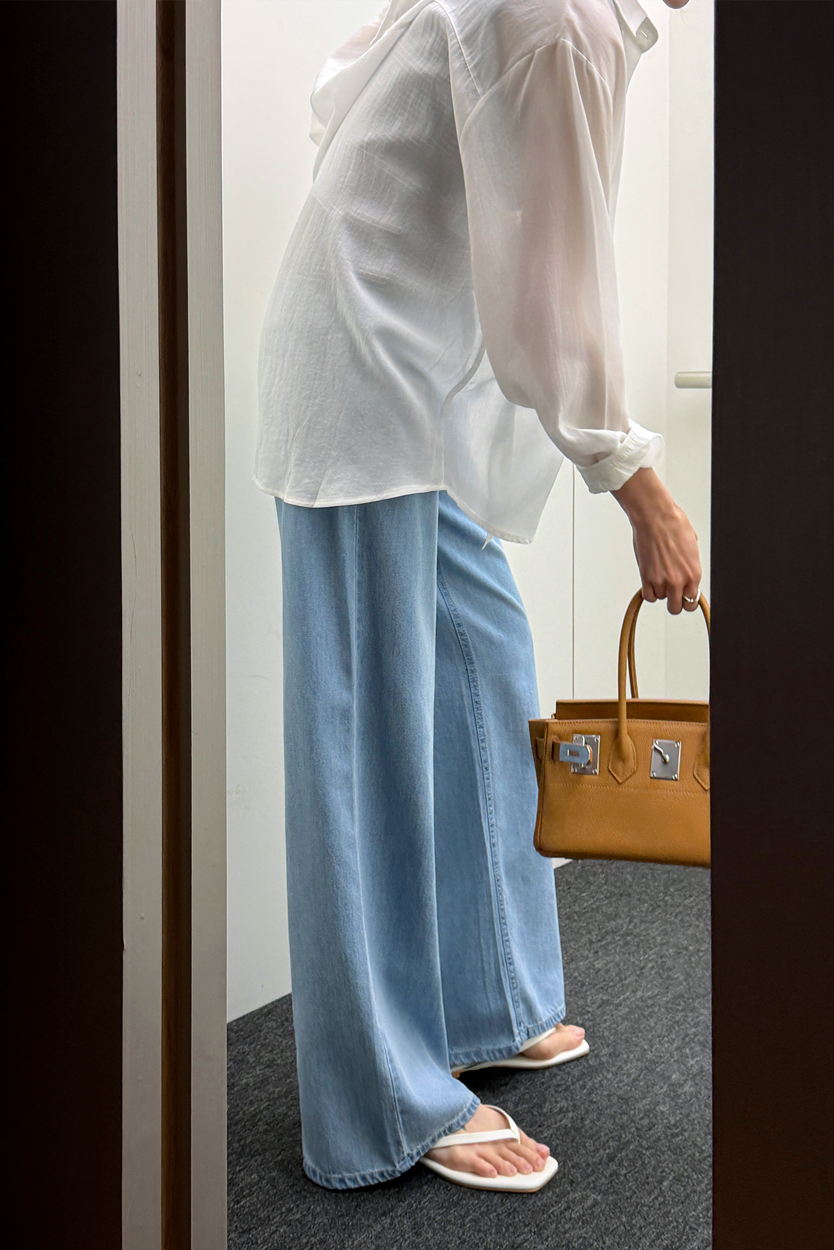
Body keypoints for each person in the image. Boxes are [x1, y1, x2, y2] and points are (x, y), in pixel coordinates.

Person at [254, 0, 700, 1194]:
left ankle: (484, 992)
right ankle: (386, 1093)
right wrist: (640, 486)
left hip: (412, 382)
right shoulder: (565, 19)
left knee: (481, 655)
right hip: (363, 385)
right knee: (373, 747)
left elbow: (343, 89)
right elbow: (555, 284)